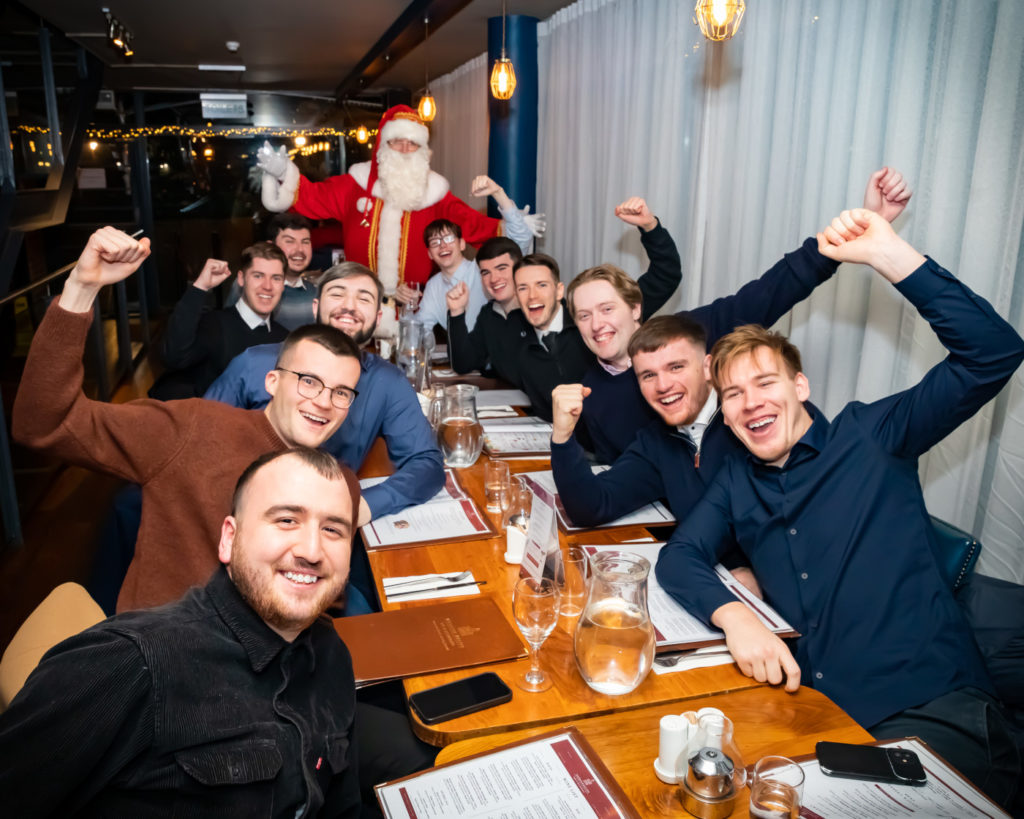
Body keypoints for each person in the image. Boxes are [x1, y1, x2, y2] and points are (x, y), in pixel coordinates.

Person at [656, 209, 1024, 805]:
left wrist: (890, 256)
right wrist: (736, 616)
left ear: (800, 387)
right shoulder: (736, 481)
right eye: (733, 394)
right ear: (722, 413)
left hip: (930, 711)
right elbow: (679, 559)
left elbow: (992, 353)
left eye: (765, 383)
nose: (751, 403)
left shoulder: (873, 435)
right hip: (819, 720)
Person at [12, 227, 362, 613]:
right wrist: (80, 289)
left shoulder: (340, 485)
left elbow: (325, 605)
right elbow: (44, 423)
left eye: (341, 392)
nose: (324, 402)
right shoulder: (193, 429)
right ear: (272, 382)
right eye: (309, 381)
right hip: (162, 660)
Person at [0, 448, 363, 817]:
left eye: (333, 530)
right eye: (286, 520)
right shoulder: (130, 665)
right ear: (228, 539)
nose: (313, 551)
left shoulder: (332, 656)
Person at [557, 169, 912, 464]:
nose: (597, 325)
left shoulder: (692, 334)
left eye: (606, 309)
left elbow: (776, 287)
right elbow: (615, 475)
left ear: (636, 308)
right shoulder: (593, 390)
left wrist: (865, 226)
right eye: (584, 315)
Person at [257, 105, 543, 329]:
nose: (406, 149)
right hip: (358, 310)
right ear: (384, 146)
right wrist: (283, 174)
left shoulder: (435, 193)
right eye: (398, 142)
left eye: (413, 144)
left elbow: (471, 224)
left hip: (415, 313)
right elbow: (310, 197)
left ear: (423, 151)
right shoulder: (354, 185)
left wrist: (512, 225)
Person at [206, 261, 445, 524]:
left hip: (330, 521)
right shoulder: (253, 363)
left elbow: (426, 463)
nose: (350, 306)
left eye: (363, 299)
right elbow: (204, 437)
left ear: (378, 318)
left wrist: (362, 506)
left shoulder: (387, 382)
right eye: (337, 294)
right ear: (316, 307)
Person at [514, 198, 684, 420]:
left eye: (541, 285)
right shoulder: (522, 347)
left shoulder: (607, 316)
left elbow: (665, 274)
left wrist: (649, 226)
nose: (532, 295)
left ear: (558, 291)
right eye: (523, 288)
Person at [150, 242, 289, 399]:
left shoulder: (286, 338)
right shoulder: (213, 325)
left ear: (283, 284)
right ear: (242, 279)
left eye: (276, 278)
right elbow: (173, 357)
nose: (267, 286)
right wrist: (200, 286)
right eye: (258, 276)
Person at [445, 235, 530, 384]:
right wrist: (457, 312)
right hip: (509, 401)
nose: (494, 279)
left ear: (519, 270)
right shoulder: (490, 313)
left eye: (501, 268)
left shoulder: (537, 309)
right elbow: (463, 364)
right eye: (486, 273)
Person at [227, 212, 320, 330]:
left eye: (305, 242)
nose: (300, 249)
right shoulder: (251, 284)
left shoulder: (316, 291)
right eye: (290, 241)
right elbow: (229, 327)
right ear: (271, 246)